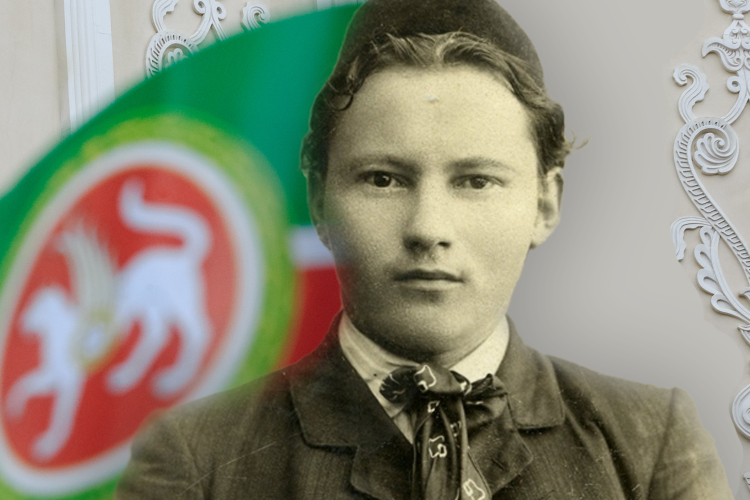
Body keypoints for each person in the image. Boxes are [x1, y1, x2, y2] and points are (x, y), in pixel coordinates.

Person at [116, 0, 733, 498]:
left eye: (476, 181)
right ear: (319, 199)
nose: (428, 228)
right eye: (383, 179)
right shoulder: (195, 457)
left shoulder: (650, 441)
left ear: (544, 204)